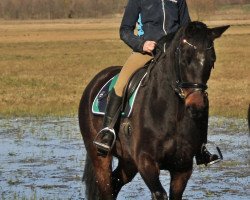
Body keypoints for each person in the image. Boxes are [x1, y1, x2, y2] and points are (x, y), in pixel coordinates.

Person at [93, 0, 220, 165]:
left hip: (175, 55)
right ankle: (107, 132)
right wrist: (141, 44)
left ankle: (201, 147)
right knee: (120, 83)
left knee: (197, 91)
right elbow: (124, 31)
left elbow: (186, 28)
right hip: (147, 52)